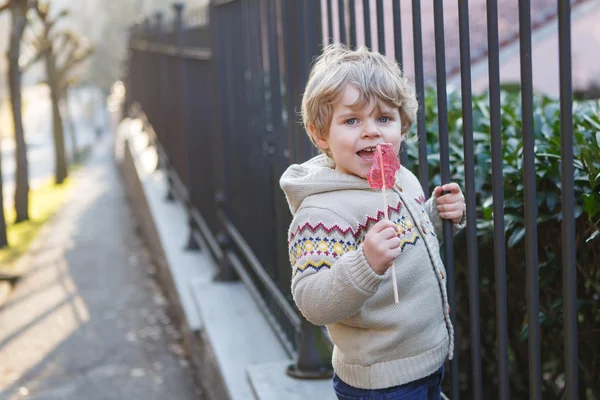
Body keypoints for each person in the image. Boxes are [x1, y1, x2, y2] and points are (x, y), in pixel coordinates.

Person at [279, 44, 466, 399]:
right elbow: (312, 301)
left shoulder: (403, 180)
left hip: (427, 361)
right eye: (352, 121)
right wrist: (365, 263)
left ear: (402, 125)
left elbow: (410, 245)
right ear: (321, 135)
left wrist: (439, 217)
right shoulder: (321, 213)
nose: (371, 132)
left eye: (383, 118)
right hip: (380, 382)